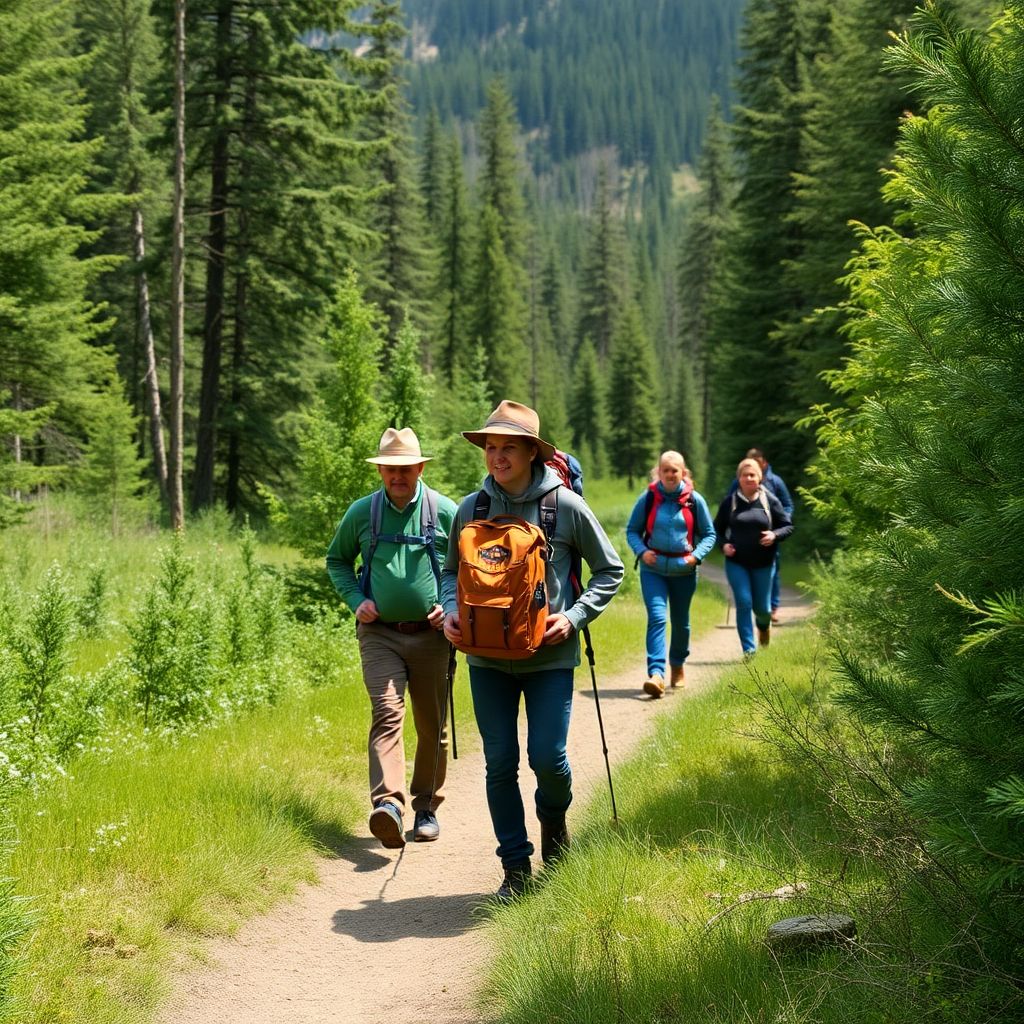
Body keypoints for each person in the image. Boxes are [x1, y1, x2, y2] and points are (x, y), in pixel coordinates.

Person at [441, 401, 623, 901]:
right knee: (499, 761)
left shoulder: (564, 506)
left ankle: (554, 819)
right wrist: (450, 610)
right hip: (485, 657)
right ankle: (516, 868)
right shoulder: (471, 509)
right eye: (491, 447)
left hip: (548, 657)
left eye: (508, 448)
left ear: (530, 453)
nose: (497, 457)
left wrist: (574, 616)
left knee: (547, 757)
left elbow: (611, 570)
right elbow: (449, 571)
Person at [326, 427, 457, 850]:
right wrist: (356, 600)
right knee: (386, 713)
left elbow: (470, 568)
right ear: (380, 471)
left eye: (405, 468)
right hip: (379, 635)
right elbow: (337, 560)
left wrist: (451, 606)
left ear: (420, 468)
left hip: (432, 637)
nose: (398, 475)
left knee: (432, 726)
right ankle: (389, 805)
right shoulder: (362, 513)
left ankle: (426, 808)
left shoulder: (445, 512)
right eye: (390, 468)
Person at [625, 451, 716, 698]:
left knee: (681, 622)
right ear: (659, 472)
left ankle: (677, 664)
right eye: (665, 470)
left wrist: (696, 556)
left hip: (684, 571)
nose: (670, 474)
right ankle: (656, 674)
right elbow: (632, 530)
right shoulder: (648, 498)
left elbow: (709, 534)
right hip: (652, 570)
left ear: (683, 473)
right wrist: (642, 551)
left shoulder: (695, 500)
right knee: (657, 617)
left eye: (674, 470)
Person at [714, 458, 794, 656]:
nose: (749, 478)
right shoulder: (730, 502)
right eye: (745, 475)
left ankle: (764, 628)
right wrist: (724, 545)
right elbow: (715, 531)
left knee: (762, 609)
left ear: (760, 478)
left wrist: (774, 535)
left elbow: (787, 526)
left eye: (752, 475)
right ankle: (749, 651)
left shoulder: (770, 501)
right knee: (743, 602)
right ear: (739, 478)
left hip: (764, 563)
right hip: (736, 562)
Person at [727, 447, 793, 623]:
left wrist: (779, 523)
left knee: (773, 571)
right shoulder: (738, 482)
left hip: (769, 537)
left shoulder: (775, 482)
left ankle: (772, 607)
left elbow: (787, 505)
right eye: (750, 460)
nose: (753, 465)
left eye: (757, 461)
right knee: (746, 593)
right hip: (742, 540)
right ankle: (754, 607)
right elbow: (729, 505)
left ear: (764, 462)